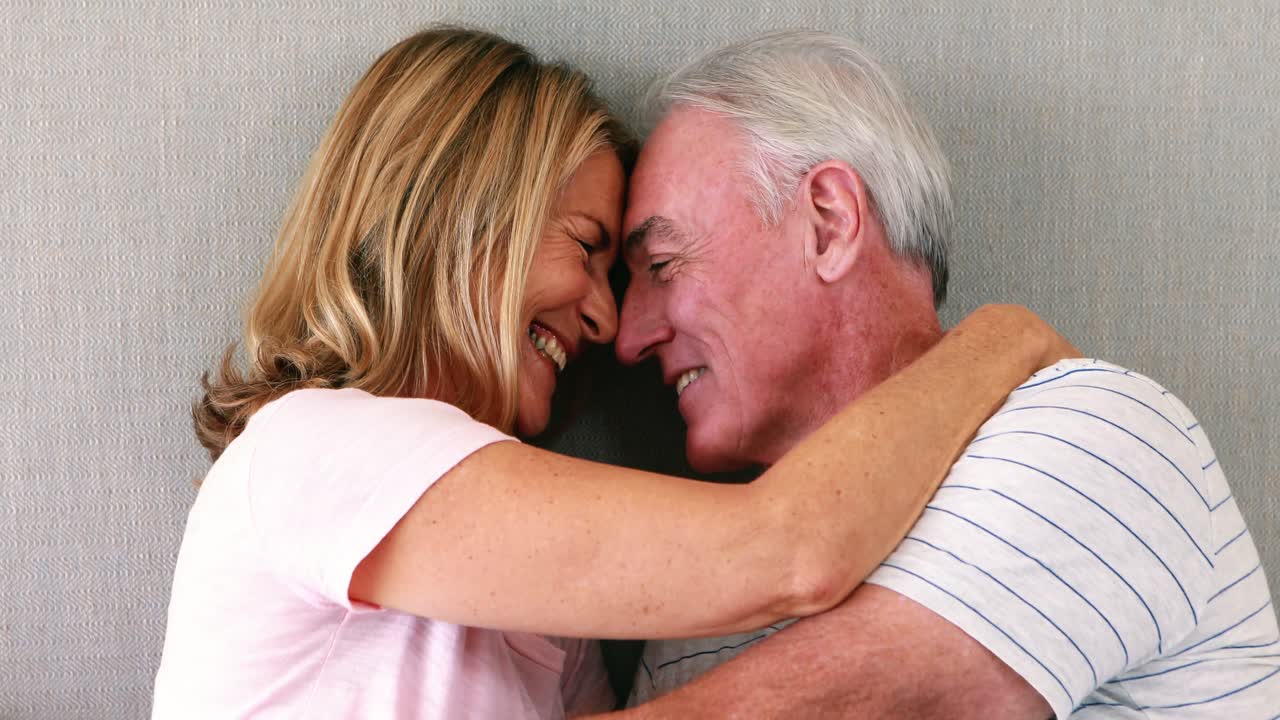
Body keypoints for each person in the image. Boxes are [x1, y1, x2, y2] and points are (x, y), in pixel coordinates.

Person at [150, 27, 1075, 719]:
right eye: (588, 247)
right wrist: (1003, 339)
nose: (606, 322)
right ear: (463, 218)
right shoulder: (313, 446)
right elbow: (791, 553)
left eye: (642, 270)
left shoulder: (550, 613)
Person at [605, 30, 1280, 719]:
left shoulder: (1090, 435)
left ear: (829, 223)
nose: (628, 340)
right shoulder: (701, 610)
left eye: (662, 264)